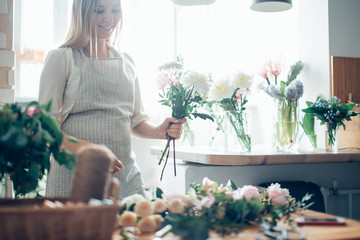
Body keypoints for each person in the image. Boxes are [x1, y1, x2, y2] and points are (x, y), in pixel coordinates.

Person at [38, 0, 185, 199]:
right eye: (99, 11)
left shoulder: (127, 62)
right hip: (73, 177)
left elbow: (136, 121)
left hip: (124, 177)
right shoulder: (61, 58)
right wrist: (92, 150)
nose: (109, 18)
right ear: (81, 13)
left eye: (115, 10)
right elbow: (47, 128)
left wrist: (160, 131)